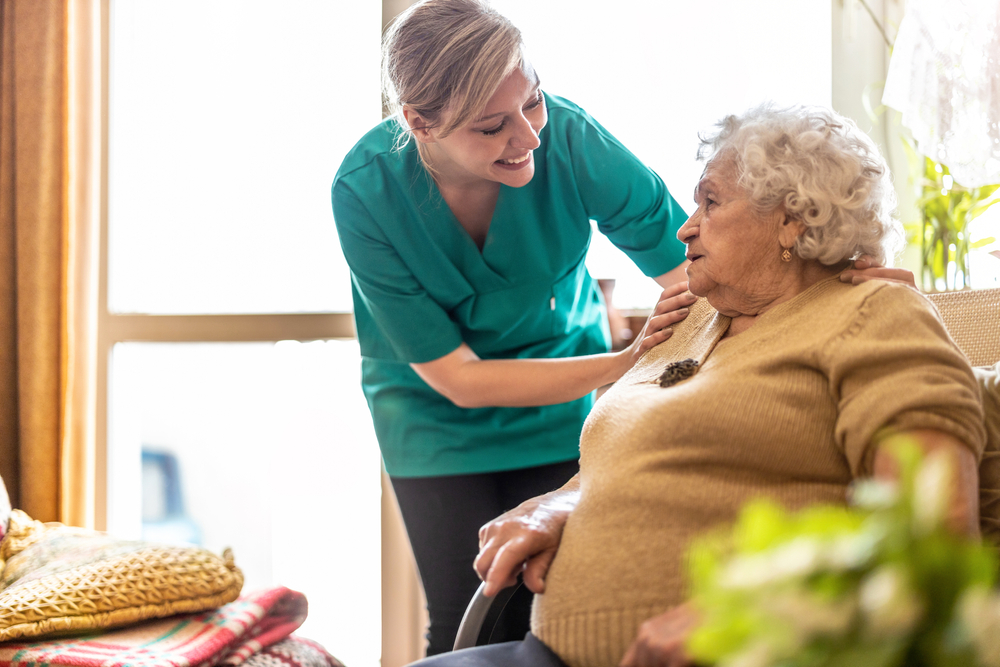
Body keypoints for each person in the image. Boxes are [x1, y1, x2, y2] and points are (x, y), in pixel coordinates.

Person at [332, 0, 912, 655]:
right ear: (420, 123)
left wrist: (835, 291)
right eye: (492, 126)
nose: (528, 137)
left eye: (534, 101)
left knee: (540, 598)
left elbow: (700, 267)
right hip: (432, 411)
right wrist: (625, 363)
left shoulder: (572, 141)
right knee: (460, 606)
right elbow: (458, 378)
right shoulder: (365, 189)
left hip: (564, 391)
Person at [409, 104, 986, 667]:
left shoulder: (875, 314)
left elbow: (932, 542)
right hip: (548, 648)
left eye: (710, 202)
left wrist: (760, 618)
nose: (685, 228)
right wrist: (561, 503)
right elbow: (625, 457)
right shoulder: (690, 320)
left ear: (792, 217)